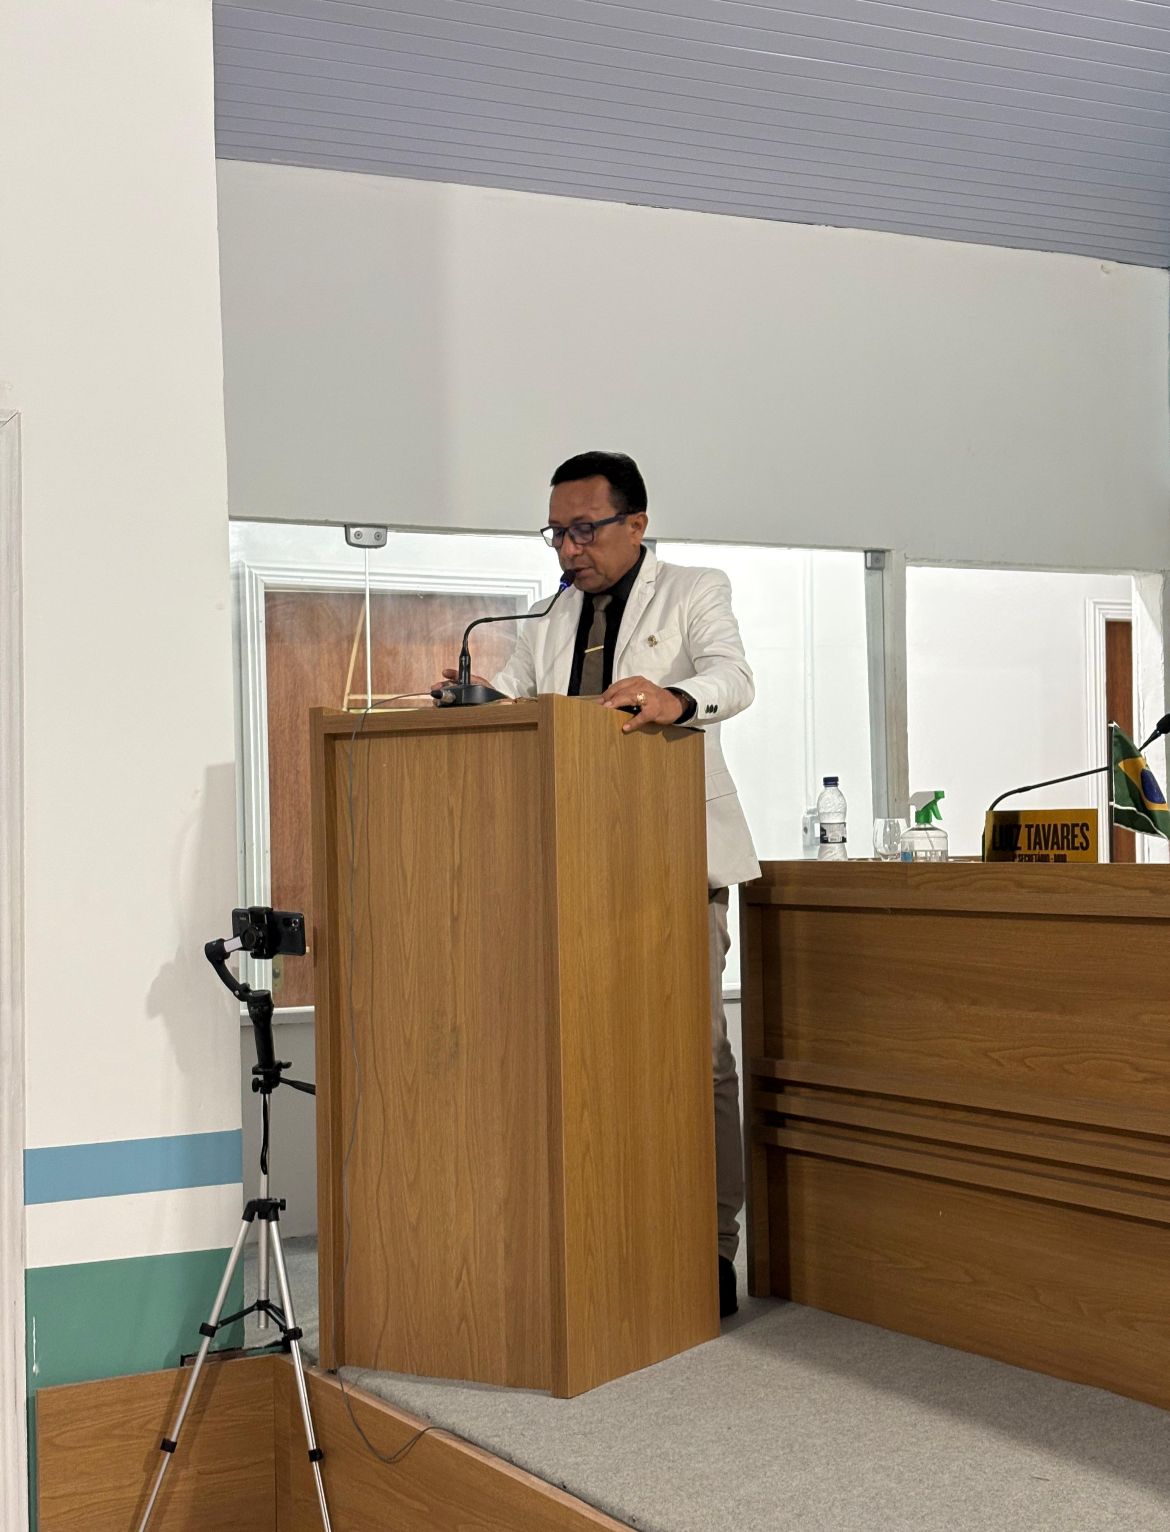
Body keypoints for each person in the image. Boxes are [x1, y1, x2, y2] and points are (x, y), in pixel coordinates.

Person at [443, 450, 759, 1317]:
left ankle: (712, 1243)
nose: (568, 549)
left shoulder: (694, 589)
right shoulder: (552, 614)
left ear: (636, 524)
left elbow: (734, 677)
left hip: (673, 862)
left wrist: (673, 698)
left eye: (583, 530)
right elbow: (517, 699)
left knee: (697, 1058)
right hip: (572, 870)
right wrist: (470, 700)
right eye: (556, 532)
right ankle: (611, 1231)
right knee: (591, 1058)